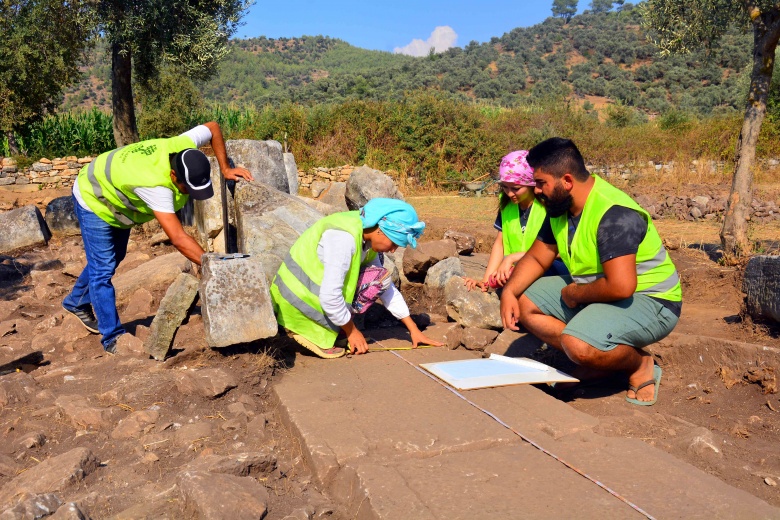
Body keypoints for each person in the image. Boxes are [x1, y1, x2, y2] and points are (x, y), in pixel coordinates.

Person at [499, 138, 681, 406]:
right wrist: (509, 293)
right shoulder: (560, 208)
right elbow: (538, 257)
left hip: (653, 300)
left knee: (578, 344)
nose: (536, 191)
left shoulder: (614, 214)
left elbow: (621, 287)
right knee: (526, 303)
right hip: (602, 291)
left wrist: (575, 293)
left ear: (567, 181)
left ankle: (639, 364)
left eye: (541, 183)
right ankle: (599, 358)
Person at [62, 122, 253, 354]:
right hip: (95, 196)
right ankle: (112, 337)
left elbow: (212, 127)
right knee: (102, 269)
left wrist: (225, 168)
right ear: (173, 175)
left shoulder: (184, 146)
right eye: (186, 188)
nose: (190, 195)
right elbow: (178, 238)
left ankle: (75, 301)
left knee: (116, 255)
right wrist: (215, 266)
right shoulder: (156, 186)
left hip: (118, 195)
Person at [270, 198, 444, 359]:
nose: (393, 250)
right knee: (365, 284)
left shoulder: (364, 233)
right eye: (394, 244)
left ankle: (335, 328)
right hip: (296, 301)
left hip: (314, 295)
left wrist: (413, 329)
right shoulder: (343, 239)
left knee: (379, 277)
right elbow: (330, 296)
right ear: (380, 231)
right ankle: (314, 331)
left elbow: (386, 288)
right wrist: (352, 331)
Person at [464, 150, 565, 292]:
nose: (509, 193)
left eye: (516, 188)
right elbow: (500, 243)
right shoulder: (507, 205)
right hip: (515, 269)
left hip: (550, 268)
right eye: (505, 187)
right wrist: (485, 282)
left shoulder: (550, 206)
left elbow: (564, 250)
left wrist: (514, 258)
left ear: (531, 184)